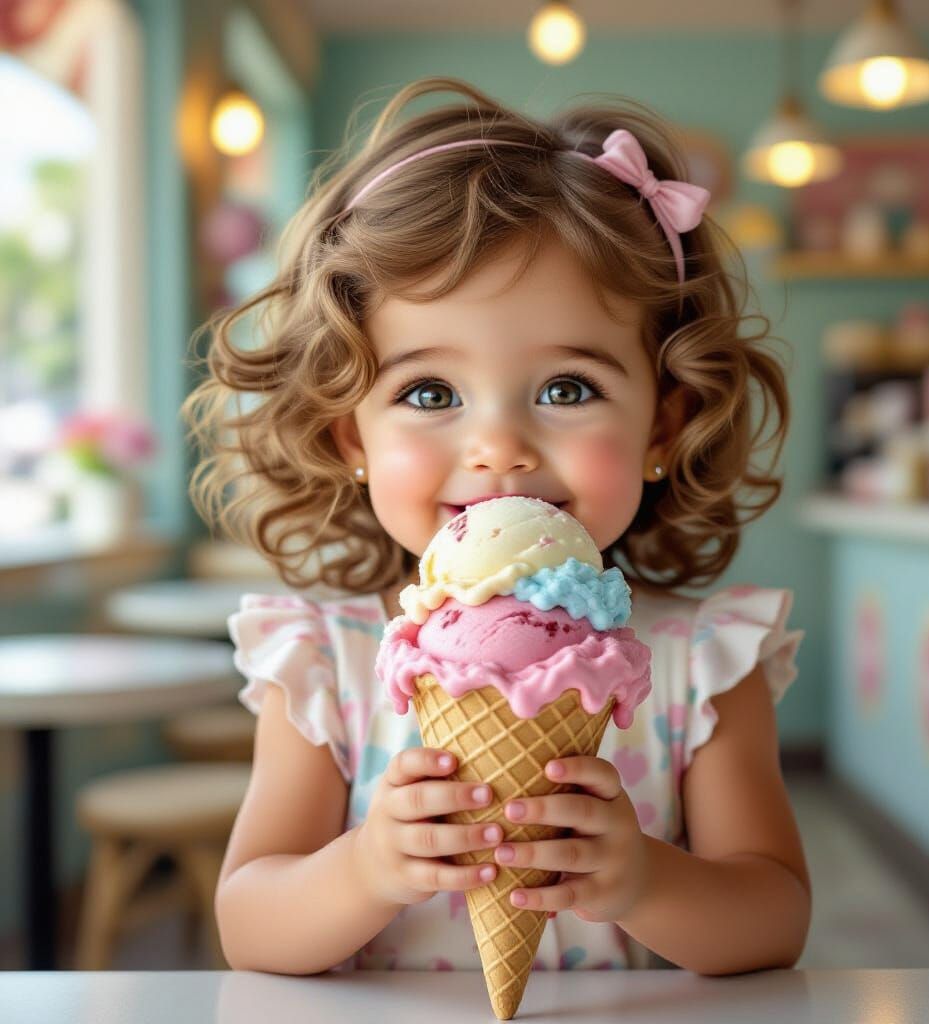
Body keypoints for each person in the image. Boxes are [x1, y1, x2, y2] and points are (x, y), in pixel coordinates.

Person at [182, 75, 811, 978]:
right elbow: (251, 928)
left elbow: (774, 919)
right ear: (349, 434)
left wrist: (644, 882)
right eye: (429, 392)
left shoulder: (702, 665)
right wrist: (363, 869)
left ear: (662, 428)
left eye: (567, 388)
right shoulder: (326, 662)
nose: (500, 447)